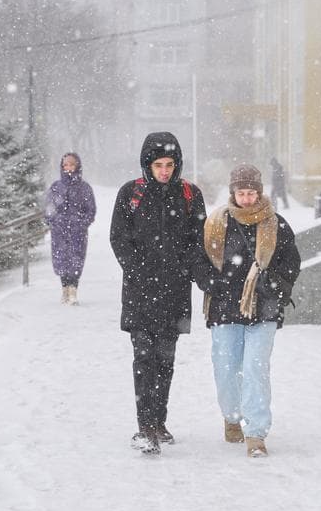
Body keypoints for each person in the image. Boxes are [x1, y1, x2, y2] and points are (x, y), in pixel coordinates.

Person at [109, 131, 207, 455]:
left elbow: (197, 243)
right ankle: (144, 426)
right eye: (158, 165)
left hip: (175, 294)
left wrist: (197, 276)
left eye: (169, 165)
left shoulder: (191, 195)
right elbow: (119, 239)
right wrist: (140, 273)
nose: (164, 171)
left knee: (165, 360)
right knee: (143, 358)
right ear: (147, 165)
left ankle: (159, 421)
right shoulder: (130, 194)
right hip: (139, 293)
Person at [194, 164, 301, 458]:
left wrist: (275, 285)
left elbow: (291, 263)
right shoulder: (215, 222)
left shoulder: (276, 224)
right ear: (233, 193)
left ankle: (256, 433)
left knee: (256, 369)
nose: (247, 198)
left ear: (259, 192)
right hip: (224, 308)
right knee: (226, 368)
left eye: (251, 192)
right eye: (241, 193)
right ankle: (231, 417)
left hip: (263, 308)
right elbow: (199, 260)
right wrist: (213, 282)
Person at [44, 152, 96, 305]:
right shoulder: (56, 187)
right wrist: (53, 221)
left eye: (71, 164)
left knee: (76, 259)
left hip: (77, 232)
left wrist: (82, 223)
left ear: (77, 165)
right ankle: (64, 290)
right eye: (65, 165)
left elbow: (91, 209)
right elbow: (49, 207)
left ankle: (73, 290)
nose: (68, 167)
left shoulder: (84, 188)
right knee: (61, 260)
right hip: (59, 231)